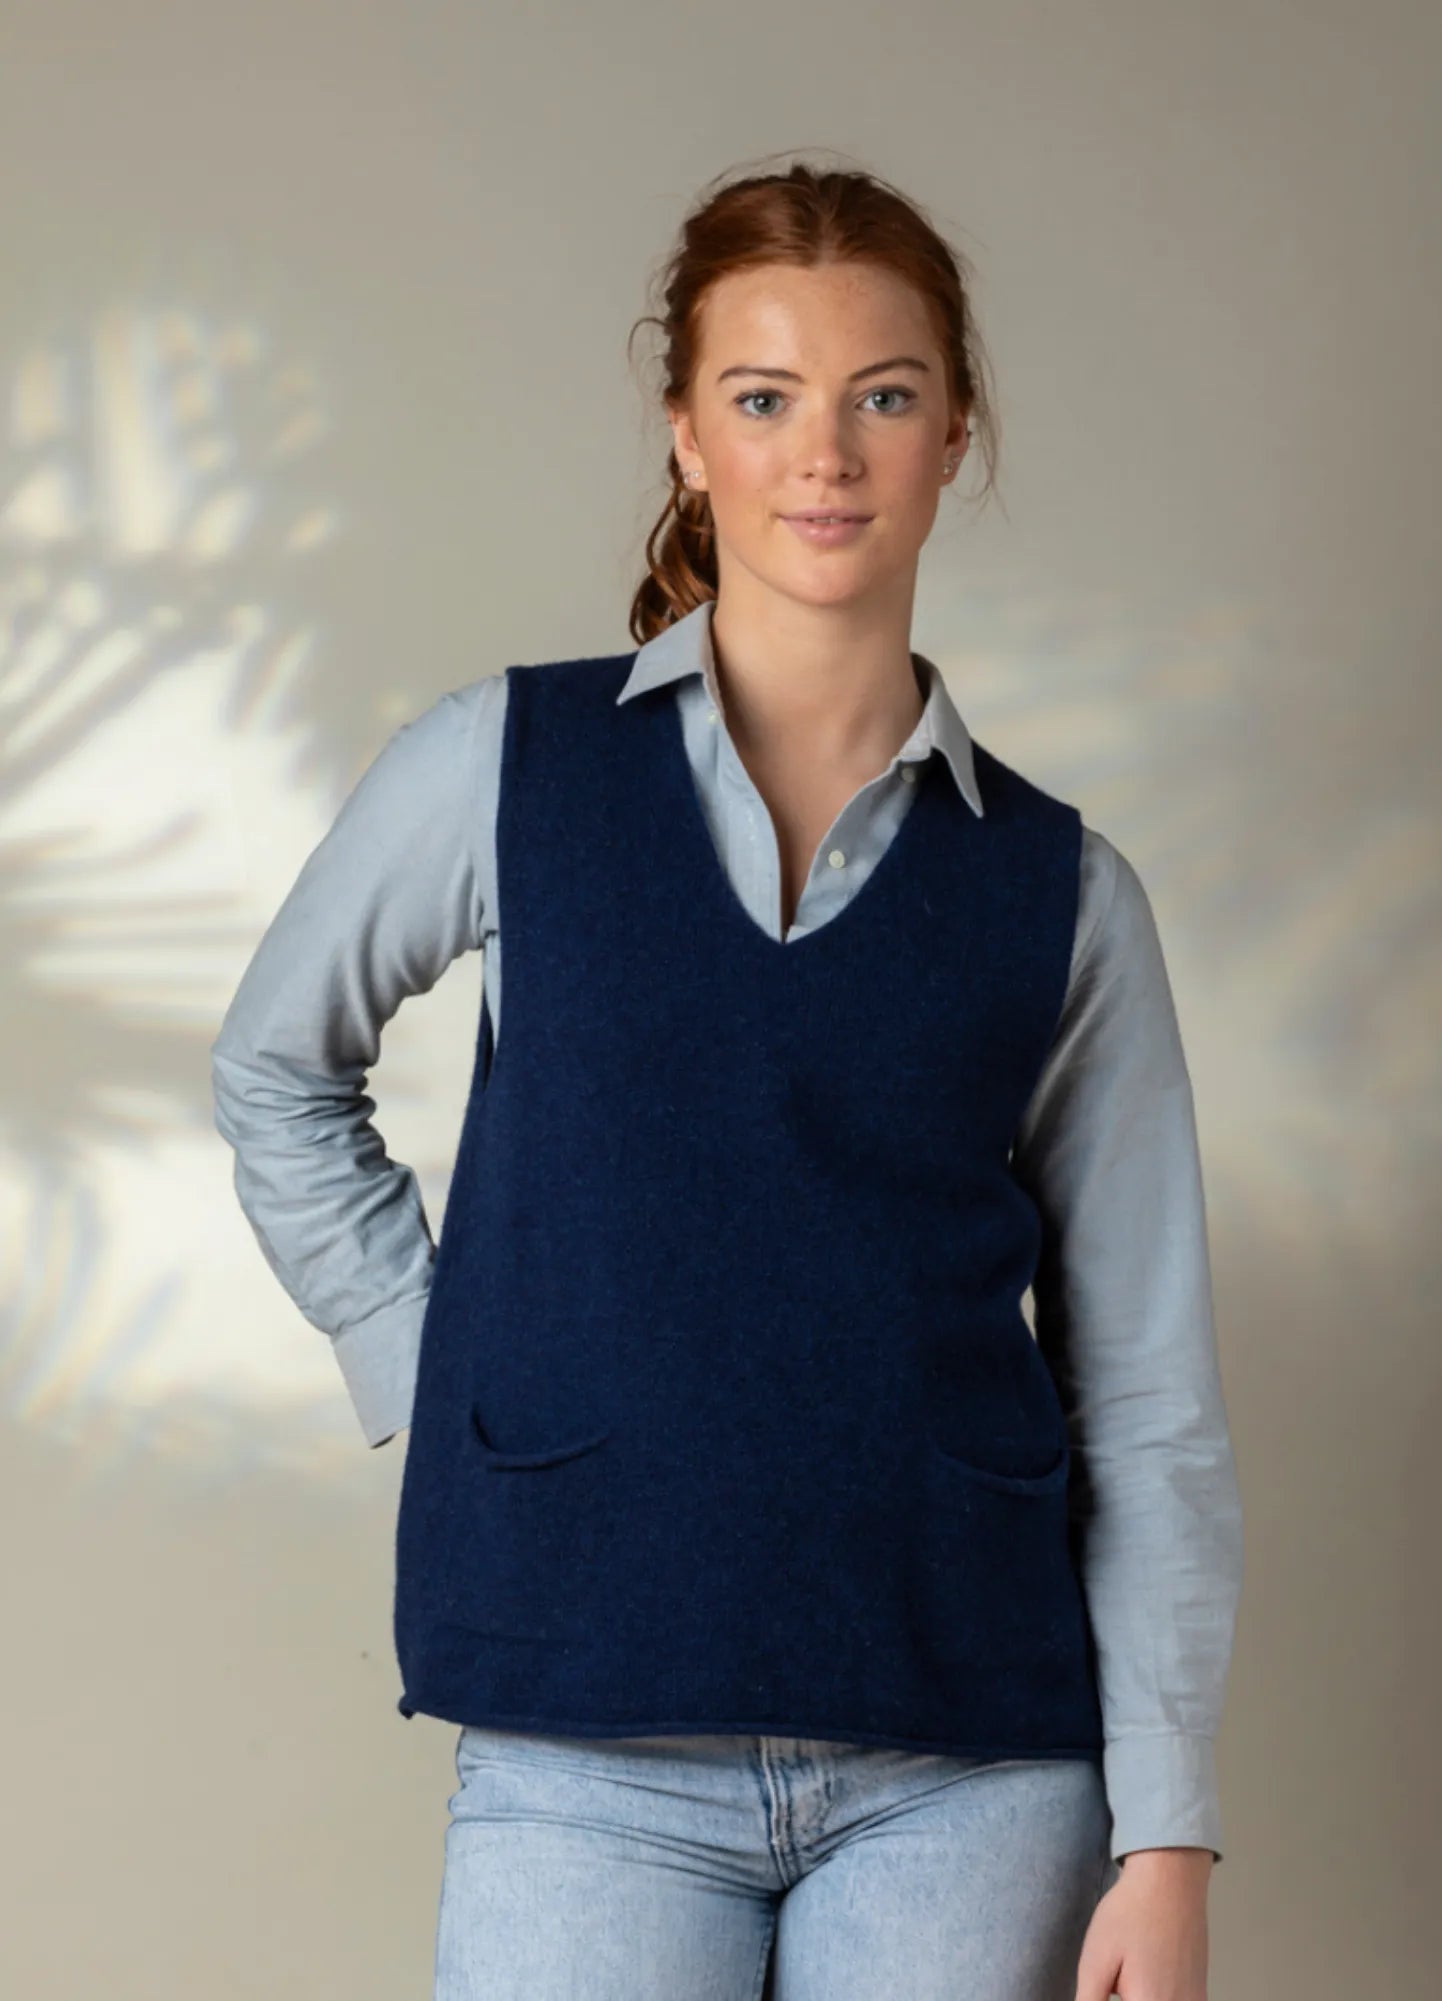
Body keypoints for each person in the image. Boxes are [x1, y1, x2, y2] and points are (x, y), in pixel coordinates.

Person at [210, 156, 1243, 2001]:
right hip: (580, 1748)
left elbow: (1148, 1393)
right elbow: (276, 1066)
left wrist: (1165, 1837)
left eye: (884, 396)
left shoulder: (1065, 893)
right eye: (765, 398)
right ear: (688, 434)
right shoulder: (507, 769)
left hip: (973, 1766)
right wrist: (439, 1362)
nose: (823, 453)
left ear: (954, 434)